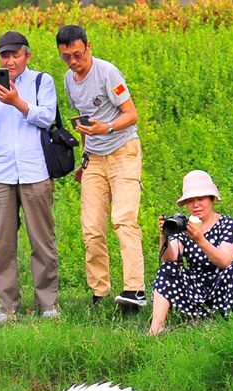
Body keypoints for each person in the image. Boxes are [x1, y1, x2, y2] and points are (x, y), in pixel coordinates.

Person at [0, 31, 60, 324]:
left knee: (42, 239)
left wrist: (18, 102)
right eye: (4, 56)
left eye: (15, 55)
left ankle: (48, 304)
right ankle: (6, 307)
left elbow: (47, 117)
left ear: (27, 56)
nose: (10, 61)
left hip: (34, 171)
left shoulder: (41, 81)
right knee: (3, 243)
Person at [56, 24, 146, 308]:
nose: (73, 62)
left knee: (123, 219)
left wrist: (106, 128)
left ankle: (135, 290)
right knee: (92, 227)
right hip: (94, 156)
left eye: (77, 54)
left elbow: (131, 115)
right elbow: (84, 122)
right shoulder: (69, 80)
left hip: (123, 152)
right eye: (66, 57)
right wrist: (84, 160)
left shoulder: (108, 72)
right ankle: (99, 292)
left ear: (88, 46)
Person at [148, 171, 233, 336]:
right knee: (167, 269)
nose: (196, 205)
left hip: (224, 284)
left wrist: (200, 240)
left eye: (201, 199)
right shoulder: (184, 226)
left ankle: (226, 321)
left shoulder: (228, 224)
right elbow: (170, 258)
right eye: (190, 200)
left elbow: (224, 261)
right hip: (197, 286)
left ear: (212, 199)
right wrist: (164, 235)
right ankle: (155, 329)